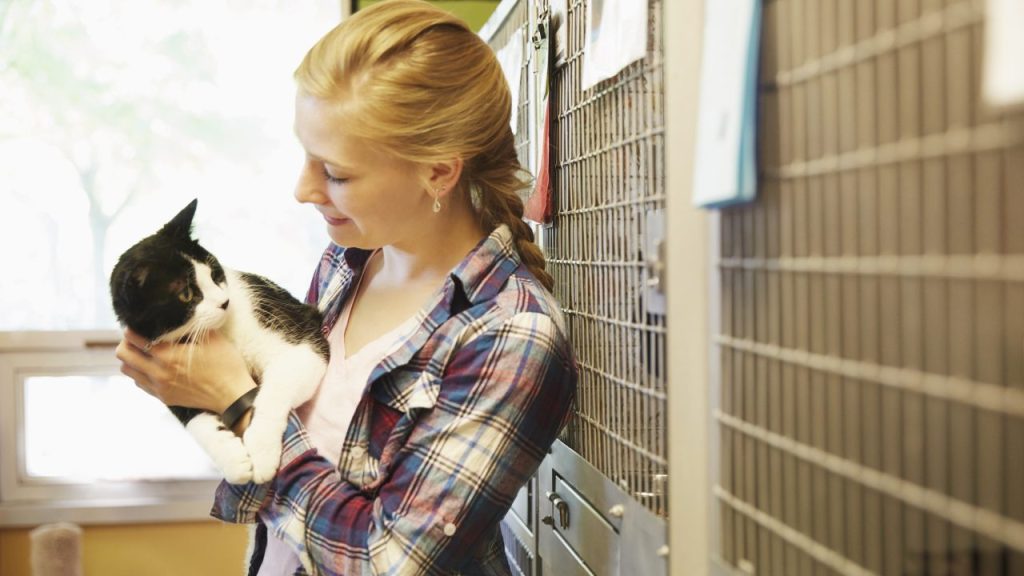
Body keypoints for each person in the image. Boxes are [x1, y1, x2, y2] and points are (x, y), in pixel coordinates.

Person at [114, 0, 578, 574]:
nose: (303, 189)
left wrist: (238, 406)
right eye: (305, 156)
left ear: (438, 171)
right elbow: (293, 462)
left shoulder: (510, 335)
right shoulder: (348, 261)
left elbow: (386, 559)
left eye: (335, 173)